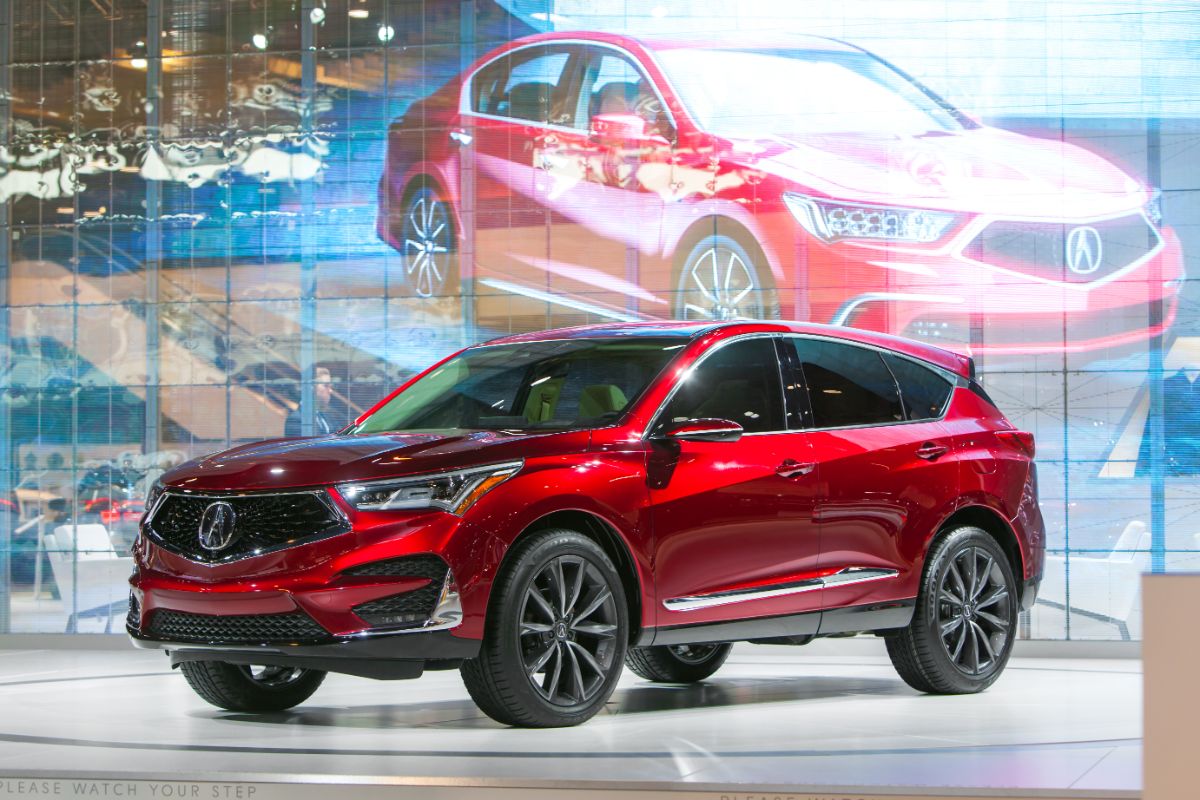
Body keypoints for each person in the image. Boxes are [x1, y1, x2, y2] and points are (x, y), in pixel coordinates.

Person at [285, 366, 336, 436]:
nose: (330, 391)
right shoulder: (295, 420)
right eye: (326, 386)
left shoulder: (327, 418)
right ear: (311, 388)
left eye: (331, 386)